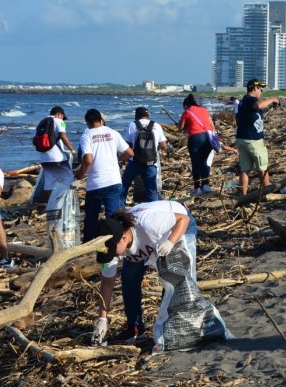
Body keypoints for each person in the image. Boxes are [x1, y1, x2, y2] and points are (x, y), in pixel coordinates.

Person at [91, 200, 198, 343]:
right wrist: (102, 319)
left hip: (177, 228)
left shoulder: (148, 224)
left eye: (112, 252)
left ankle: (172, 324)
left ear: (124, 239)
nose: (112, 256)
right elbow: (107, 285)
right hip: (147, 242)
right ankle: (134, 328)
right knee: (129, 279)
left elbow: (183, 219)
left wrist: (170, 242)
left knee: (173, 278)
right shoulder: (110, 245)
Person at [75, 108, 134, 243]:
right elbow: (130, 153)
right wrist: (118, 161)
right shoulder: (113, 133)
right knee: (113, 216)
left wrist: (78, 176)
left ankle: (89, 245)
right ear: (101, 121)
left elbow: (88, 160)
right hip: (114, 181)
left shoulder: (87, 135)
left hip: (96, 184)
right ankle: (116, 243)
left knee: (91, 217)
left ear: (87, 123)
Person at [236, 79, 280, 195]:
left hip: (242, 138)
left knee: (245, 169)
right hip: (253, 140)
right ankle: (267, 190)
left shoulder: (244, 101)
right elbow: (259, 104)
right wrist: (273, 99)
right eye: (260, 88)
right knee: (262, 166)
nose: (261, 91)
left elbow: (257, 109)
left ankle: (243, 195)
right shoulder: (251, 99)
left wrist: (270, 106)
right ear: (255, 88)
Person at [120, 106, 168, 206]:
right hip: (151, 162)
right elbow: (163, 144)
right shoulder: (156, 125)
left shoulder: (132, 125)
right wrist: (155, 151)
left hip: (135, 162)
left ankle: (120, 208)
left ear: (136, 116)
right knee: (151, 189)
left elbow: (128, 145)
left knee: (124, 185)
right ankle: (154, 210)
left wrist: (123, 158)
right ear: (148, 115)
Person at [179, 94, 215, 196]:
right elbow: (212, 125)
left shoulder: (187, 111)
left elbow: (180, 127)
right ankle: (206, 185)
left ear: (186, 105)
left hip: (195, 138)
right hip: (207, 137)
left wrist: (182, 123)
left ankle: (196, 188)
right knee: (204, 162)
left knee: (196, 163)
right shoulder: (204, 110)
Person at [38, 106, 76, 199]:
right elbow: (63, 136)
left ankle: (50, 205)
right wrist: (72, 150)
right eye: (63, 117)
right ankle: (68, 203)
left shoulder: (41, 122)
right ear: (59, 114)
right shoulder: (59, 121)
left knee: (49, 182)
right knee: (69, 179)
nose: (63, 119)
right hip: (57, 158)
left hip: (44, 158)